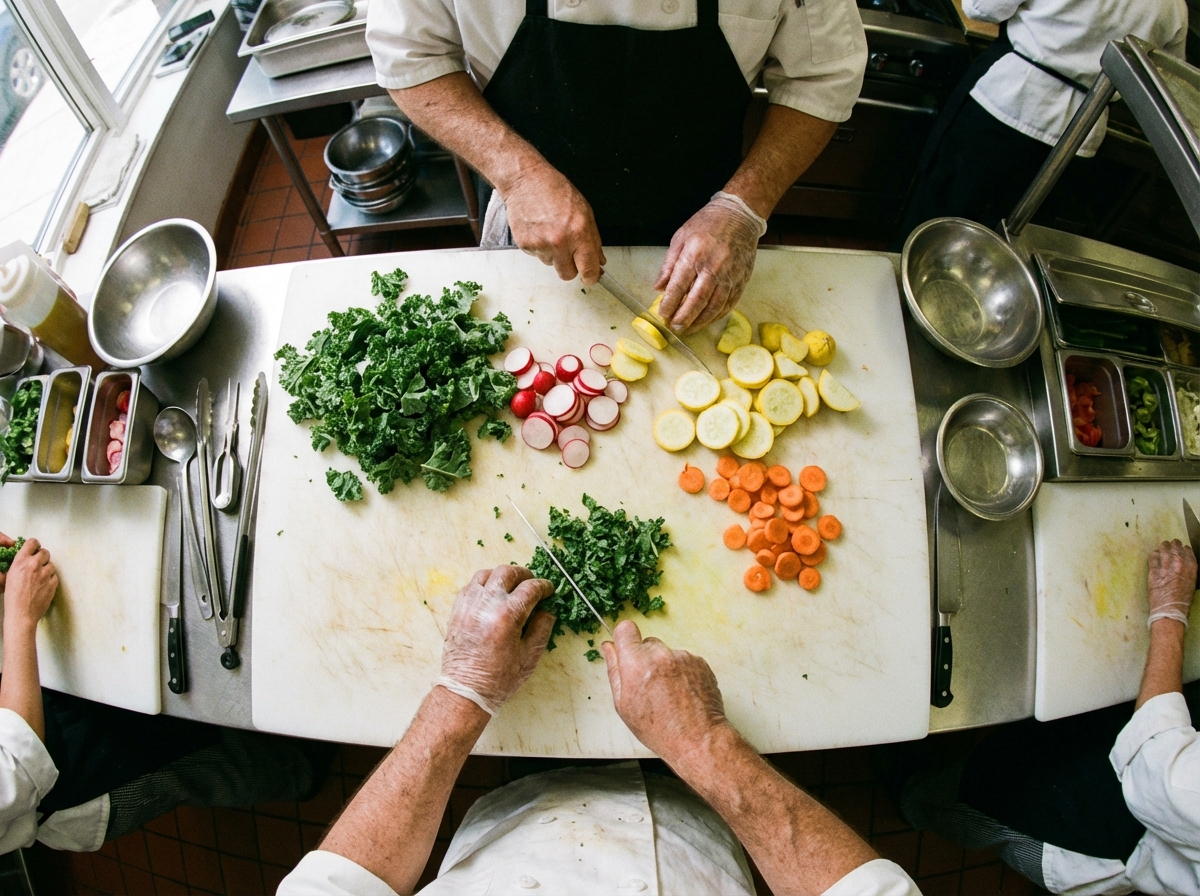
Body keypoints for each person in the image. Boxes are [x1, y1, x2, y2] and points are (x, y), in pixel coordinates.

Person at [279, 564, 919, 896]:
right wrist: (703, 743)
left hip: (514, 822)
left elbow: (335, 889)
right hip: (706, 833)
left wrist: (465, 686)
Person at [365, 0, 867, 333]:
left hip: (708, 216)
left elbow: (821, 77)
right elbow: (409, 52)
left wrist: (743, 208)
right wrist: (517, 174)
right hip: (529, 225)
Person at [896, 540, 1198, 895]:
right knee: (1030, 739)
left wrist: (1169, 613)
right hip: (1143, 728)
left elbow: (1156, 768)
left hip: (1098, 827)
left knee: (982, 794)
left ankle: (911, 798)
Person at [0, 533, 332, 853]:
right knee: (199, 761)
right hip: (74, 774)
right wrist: (20, 617)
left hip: (35, 683)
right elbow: (15, 772)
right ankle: (303, 767)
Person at [896, 0, 1187, 242]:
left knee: (938, 219)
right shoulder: (1175, 8)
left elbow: (981, 8)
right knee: (1010, 243)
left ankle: (902, 298)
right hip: (1077, 136)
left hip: (1007, 103)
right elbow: (1165, 81)